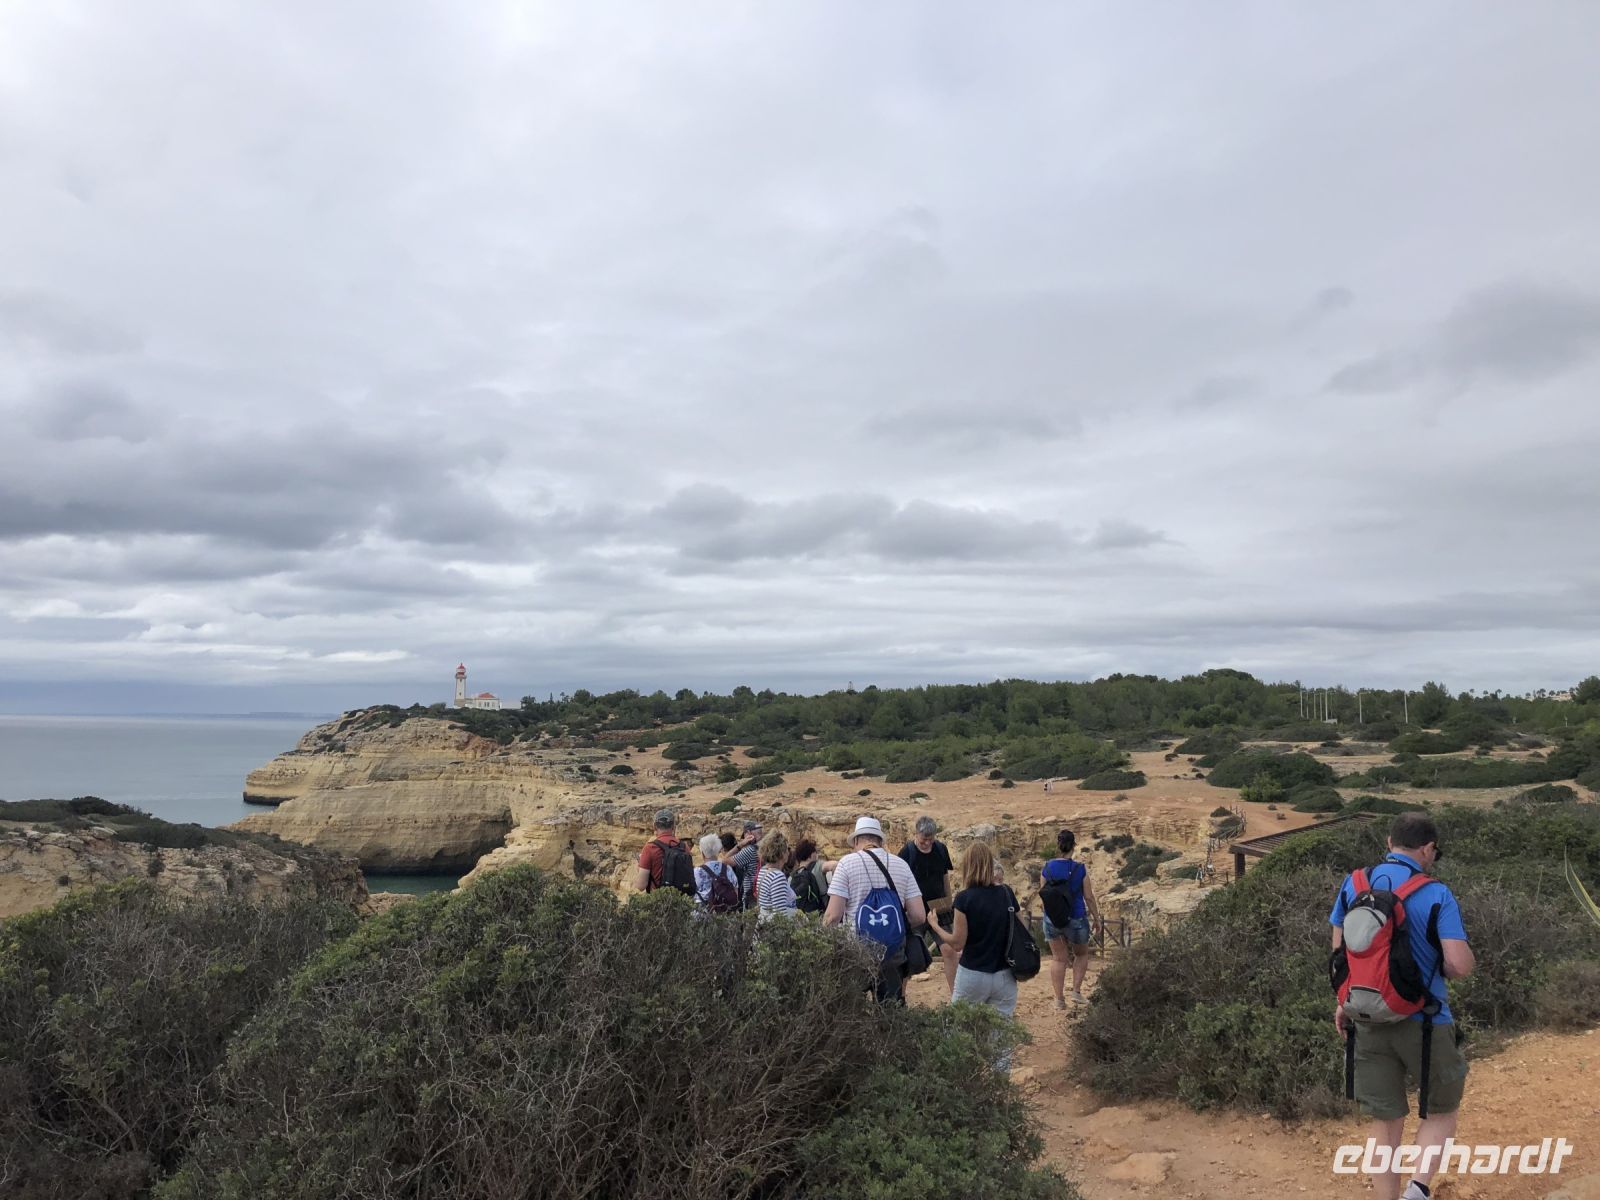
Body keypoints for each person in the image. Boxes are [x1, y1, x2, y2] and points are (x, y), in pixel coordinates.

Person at [1331, 812, 1474, 1200]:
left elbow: (1341, 953)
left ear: (1389, 842)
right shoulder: (1436, 893)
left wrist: (1345, 1002)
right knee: (1441, 1110)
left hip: (1366, 1018)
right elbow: (1458, 965)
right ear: (1428, 849)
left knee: (1385, 1120)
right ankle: (1417, 1190)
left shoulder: (1353, 884)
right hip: (1425, 1021)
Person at [927, 841, 1022, 1072]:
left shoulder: (964, 899)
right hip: (1005, 976)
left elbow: (957, 942)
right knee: (1001, 1037)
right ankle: (1000, 1086)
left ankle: (960, 1080)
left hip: (973, 974)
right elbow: (1021, 929)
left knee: (957, 1029)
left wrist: (935, 926)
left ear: (968, 866)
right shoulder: (1007, 894)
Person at [824, 816, 926, 1004]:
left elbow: (832, 916)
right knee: (890, 1009)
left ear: (856, 841)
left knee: (853, 1011)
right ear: (880, 840)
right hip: (893, 953)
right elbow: (919, 916)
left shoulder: (846, 864)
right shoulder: (901, 865)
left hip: (856, 952)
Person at [1040, 830, 1100, 1010]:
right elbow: (1088, 897)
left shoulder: (1047, 868)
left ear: (1058, 846)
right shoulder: (1080, 869)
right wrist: (1096, 918)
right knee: (1081, 954)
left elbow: (1043, 894)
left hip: (1052, 919)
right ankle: (1076, 992)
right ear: (1074, 846)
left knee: (1059, 959)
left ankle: (1059, 1000)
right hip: (1076, 918)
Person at [899, 815, 957, 995]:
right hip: (915, 909)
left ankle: (957, 997)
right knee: (909, 954)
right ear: (916, 834)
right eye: (924, 839)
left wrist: (949, 901)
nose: (927, 843)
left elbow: (945, 877)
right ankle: (900, 997)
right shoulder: (906, 853)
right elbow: (900, 882)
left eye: (931, 839)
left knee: (949, 950)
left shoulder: (940, 849)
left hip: (938, 907)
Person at [634, 808, 693, 894]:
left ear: (654, 826)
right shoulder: (684, 847)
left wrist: (639, 867)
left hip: (659, 899)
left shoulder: (650, 848)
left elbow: (641, 886)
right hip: (682, 899)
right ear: (673, 826)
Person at [753, 830, 798, 921]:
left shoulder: (763, 870)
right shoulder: (778, 876)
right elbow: (780, 915)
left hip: (764, 921)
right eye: (787, 849)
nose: (788, 853)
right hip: (776, 927)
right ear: (781, 853)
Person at [694, 832, 741, 913]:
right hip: (726, 914)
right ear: (718, 851)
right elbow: (735, 893)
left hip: (703, 914)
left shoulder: (697, 872)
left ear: (702, 854)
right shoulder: (728, 869)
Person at [789, 837, 831, 914]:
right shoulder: (818, 866)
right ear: (810, 855)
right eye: (815, 852)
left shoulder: (792, 876)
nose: (817, 854)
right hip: (820, 914)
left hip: (800, 917)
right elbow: (835, 865)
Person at [731, 819, 763, 907]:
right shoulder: (764, 847)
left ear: (748, 833)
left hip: (751, 897)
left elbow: (724, 862)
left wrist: (740, 845)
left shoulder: (749, 850)